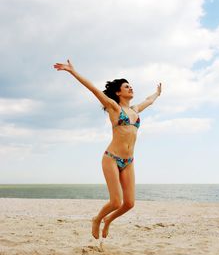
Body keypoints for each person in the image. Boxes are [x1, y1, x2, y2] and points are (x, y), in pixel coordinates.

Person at [53, 60, 162, 239]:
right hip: (111, 157)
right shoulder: (114, 107)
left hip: (128, 161)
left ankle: (108, 221)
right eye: (127, 87)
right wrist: (72, 71)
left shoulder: (135, 110)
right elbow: (94, 90)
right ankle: (97, 219)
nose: (131, 88)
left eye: (131, 86)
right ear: (118, 92)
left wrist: (156, 94)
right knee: (115, 201)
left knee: (129, 203)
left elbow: (149, 101)